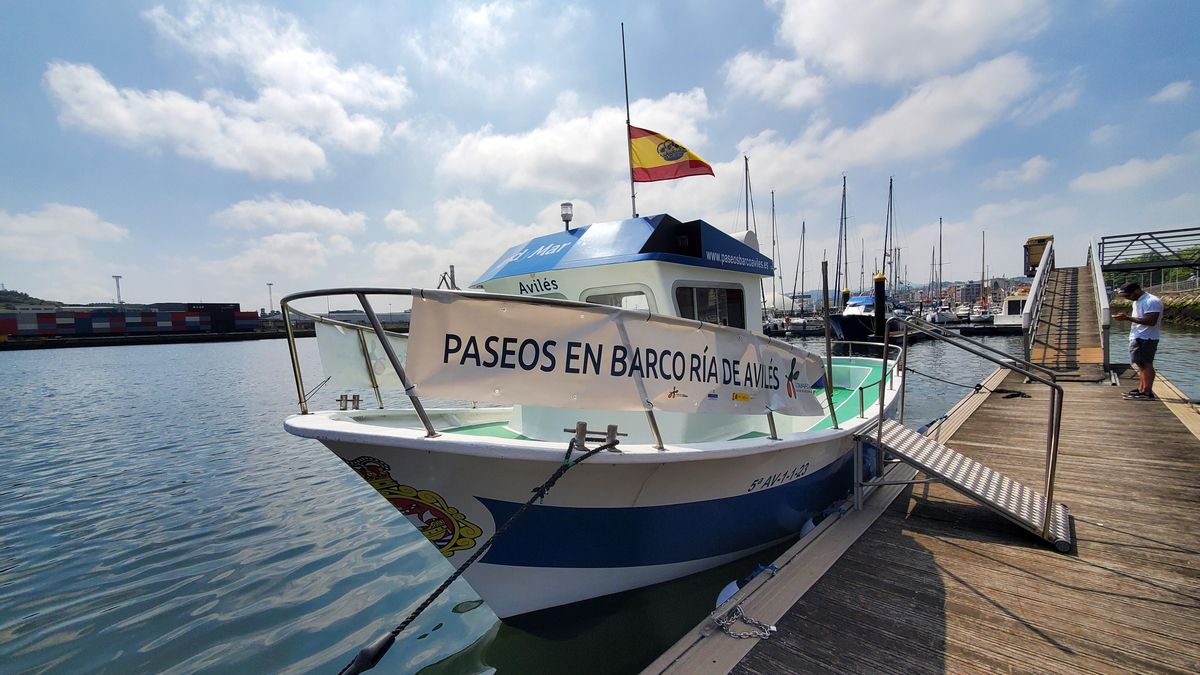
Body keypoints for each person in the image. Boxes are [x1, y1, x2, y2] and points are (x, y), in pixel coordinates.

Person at [1112, 281, 1162, 400]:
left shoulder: (1151, 301)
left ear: (1137, 290)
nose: (1127, 298)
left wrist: (1127, 318)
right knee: (1140, 364)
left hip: (1147, 337)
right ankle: (1141, 389)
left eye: (1128, 295)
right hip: (1138, 336)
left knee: (1146, 364)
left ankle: (1147, 392)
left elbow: (1151, 321)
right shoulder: (1138, 301)